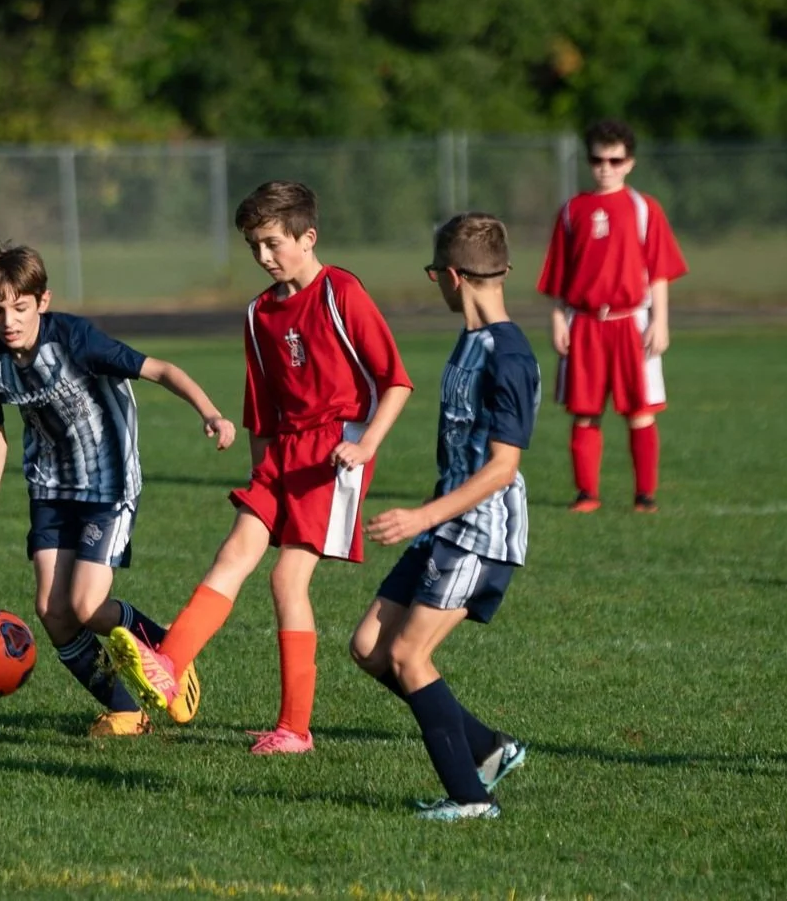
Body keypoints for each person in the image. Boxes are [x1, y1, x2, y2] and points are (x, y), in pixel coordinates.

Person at [106, 180, 413, 755]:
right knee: (234, 553)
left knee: (285, 579)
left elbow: (395, 380)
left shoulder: (340, 292)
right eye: (254, 247)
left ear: (307, 237)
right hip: (280, 456)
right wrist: (258, 477)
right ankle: (170, 664)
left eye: (273, 243)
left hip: (334, 452)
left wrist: (367, 445)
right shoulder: (258, 314)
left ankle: (295, 730)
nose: (264, 257)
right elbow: (261, 410)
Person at [0, 243, 234, 736]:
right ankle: (127, 711)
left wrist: (210, 412)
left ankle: (170, 651)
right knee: (54, 612)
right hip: (50, 487)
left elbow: (161, 370)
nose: (8, 320)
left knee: (87, 606)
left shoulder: (75, 340)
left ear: (42, 301)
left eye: (19, 307)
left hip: (108, 483)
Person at [348, 212, 538, 821]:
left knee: (409, 656)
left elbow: (502, 468)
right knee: (370, 647)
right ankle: (486, 746)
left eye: (434, 275)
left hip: (481, 532)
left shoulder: (509, 355)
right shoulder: (470, 339)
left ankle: (471, 799)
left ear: (452, 276)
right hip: (446, 524)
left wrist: (421, 515)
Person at [536, 118, 688, 513]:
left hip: (631, 321)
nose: (606, 167)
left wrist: (660, 320)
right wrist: (557, 319)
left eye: (615, 159)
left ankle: (645, 496)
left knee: (640, 411)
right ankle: (587, 494)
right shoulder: (572, 211)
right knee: (585, 412)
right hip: (584, 322)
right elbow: (557, 275)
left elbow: (659, 271)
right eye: (598, 159)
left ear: (630, 162)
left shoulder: (643, 209)